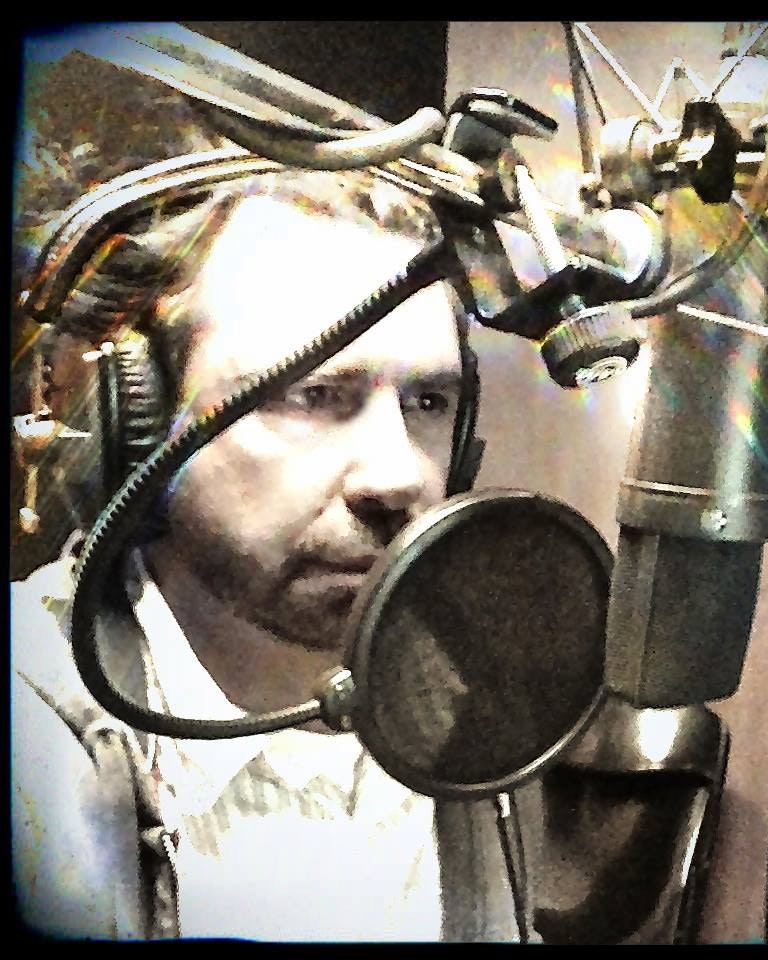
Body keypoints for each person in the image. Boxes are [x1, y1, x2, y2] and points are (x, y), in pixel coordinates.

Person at [11, 162, 532, 941]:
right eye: (311, 396)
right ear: (140, 428)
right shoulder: (29, 730)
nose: (398, 475)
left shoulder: (471, 727)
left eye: (428, 402)